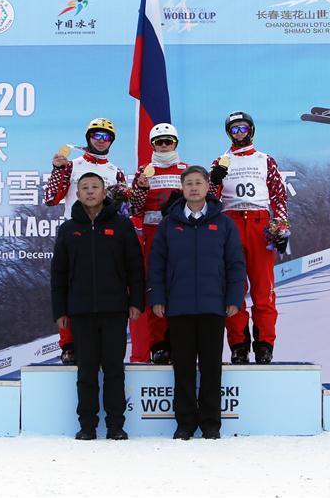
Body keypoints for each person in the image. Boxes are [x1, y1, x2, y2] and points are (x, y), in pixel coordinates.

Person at [148, 166, 247, 440]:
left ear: (207, 187)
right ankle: (185, 423)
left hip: (213, 307)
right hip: (178, 308)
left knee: (212, 367)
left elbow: (236, 266)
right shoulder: (169, 224)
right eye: (188, 183)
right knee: (182, 368)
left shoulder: (224, 223)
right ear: (182, 188)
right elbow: (157, 265)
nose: (193, 188)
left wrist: (234, 299)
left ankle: (211, 424)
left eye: (198, 183)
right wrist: (157, 297)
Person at [51, 173, 144, 440]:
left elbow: (135, 267)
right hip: (80, 311)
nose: (90, 192)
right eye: (84, 188)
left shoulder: (122, 225)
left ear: (105, 193)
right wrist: (60, 311)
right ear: (77, 195)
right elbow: (58, 274)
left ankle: (116, 425)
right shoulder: (68, 229)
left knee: (114, 369)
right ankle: (88, 425)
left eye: (95, 187)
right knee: (87, 370)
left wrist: (136, 301)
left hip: (115, 308)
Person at [44, 117, 128, 366]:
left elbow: (127, 208)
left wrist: (123, 196)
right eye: (96, 136)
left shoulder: (116, 171)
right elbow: (50, 198)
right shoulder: (72, 165)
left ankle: (103, 341)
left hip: (106, 236)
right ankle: (68, 344)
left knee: (105, 288)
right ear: (88, 138)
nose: (101, 141)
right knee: (70, 289)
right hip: (74, 233)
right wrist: (58, 170)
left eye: (106, 137)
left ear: (111, 141)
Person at [209, 111, 288, 364]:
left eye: (243, 129)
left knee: (263, 289)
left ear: (251, 130)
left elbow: (278, 196)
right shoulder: (221, 161)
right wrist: (214, 181)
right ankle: (239, 344)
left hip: (259, 223)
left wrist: (281, 227)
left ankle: (265, 343)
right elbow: (209, 199)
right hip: (230, 223)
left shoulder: (265, 160)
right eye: (234, 130)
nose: (239, 134)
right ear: (229, 133)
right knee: (234, 288)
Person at [128, 122, 189, 364]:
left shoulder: (186, 169)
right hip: (153, 236)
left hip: (180, 235)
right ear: (152, 145)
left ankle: (179, 340)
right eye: (159, 142)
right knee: (155, 289)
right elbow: (133, 207)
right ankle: (159, 344)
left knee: (180, 288)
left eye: (168, 141)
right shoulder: (145, 170)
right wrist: (141, 189)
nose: (164, 146)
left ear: (175, 143)